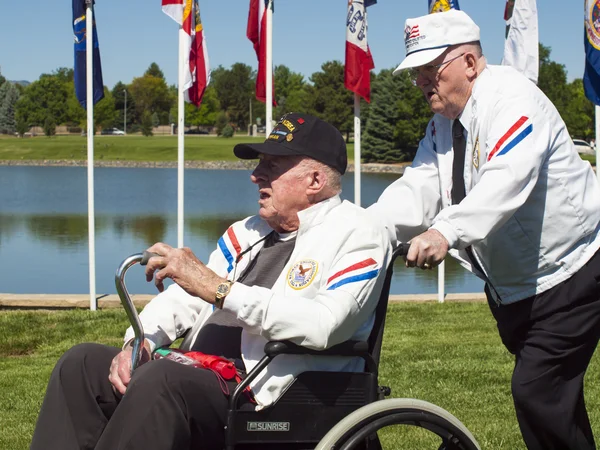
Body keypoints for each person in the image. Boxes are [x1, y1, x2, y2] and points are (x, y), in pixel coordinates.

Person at [31, 112, 391, 450]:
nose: (256, 175)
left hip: (271, 391)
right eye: (258, 163)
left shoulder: (358, 233)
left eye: (272, 165)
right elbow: (185, 300)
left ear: (314, 180)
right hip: (202, 372)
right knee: (81, 364)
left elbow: (324, 325)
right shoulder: (246, 231)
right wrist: (139, 342)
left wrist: (219, 289)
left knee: (161, 382)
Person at [368, 9, 600, 450]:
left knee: (537, 391)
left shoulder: (514, 99)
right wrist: (362, 229)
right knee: (556, 405)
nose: (421, 82)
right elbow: (419, 185)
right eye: (416, 72)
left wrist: (443, 232)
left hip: (574, 272)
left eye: (430, 70)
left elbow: (505, 180)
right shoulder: (441, 124)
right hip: (515, 290)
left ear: (470, 64)